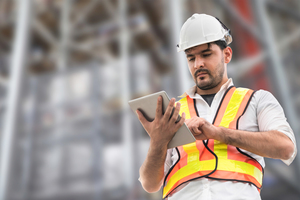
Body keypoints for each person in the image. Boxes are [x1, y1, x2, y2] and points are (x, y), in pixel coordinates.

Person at [136, 13, 297, 200]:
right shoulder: (173, 113)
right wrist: (158, 142)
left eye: (206, 54)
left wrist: (218, 133)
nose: (198, 64)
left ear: (227, 54)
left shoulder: (257, 100)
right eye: (191, 58)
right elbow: (150, 184)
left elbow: (286, 148)